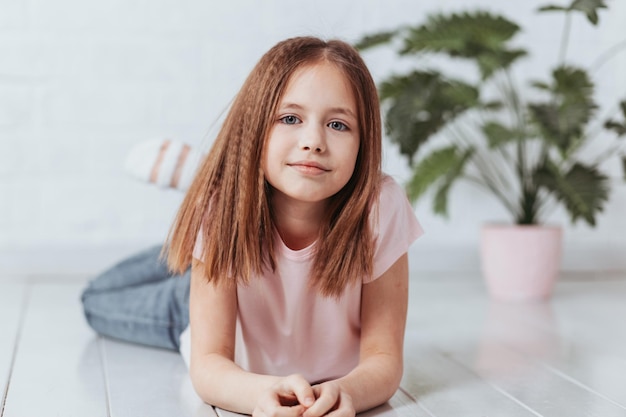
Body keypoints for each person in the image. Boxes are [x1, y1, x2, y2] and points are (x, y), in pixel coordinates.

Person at [81, 36, 422, 417]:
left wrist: (349, 393)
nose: (314, 142)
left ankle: (206, 194)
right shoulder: (221, 210)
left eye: (338, 124)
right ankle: (206, 200)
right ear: (255, 126)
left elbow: (384, 359)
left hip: (246, 274)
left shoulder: (381, 207)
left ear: (364, 142)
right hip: (210, 299)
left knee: (214, 228)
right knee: (95, 299)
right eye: (290, 118)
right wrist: (257, 392)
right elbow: (208, 362)